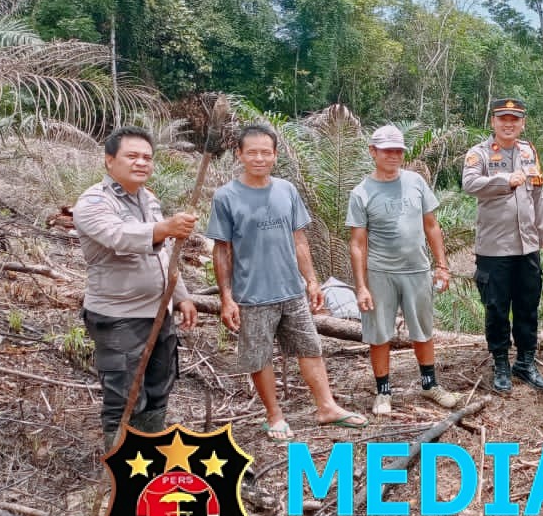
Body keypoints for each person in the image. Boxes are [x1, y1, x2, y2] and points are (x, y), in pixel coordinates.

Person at [206, 124, 368, 441]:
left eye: (266, 152)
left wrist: (312, 281)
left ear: (275, 155)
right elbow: (222, 250)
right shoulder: (226, 197)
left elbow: (300, 241)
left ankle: (327, 407)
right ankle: (274, 415)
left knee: (310, 348)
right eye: (251, 152)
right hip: (252, 295)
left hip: (291, 290)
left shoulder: (286, 190)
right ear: (239, 154)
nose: (259, 158)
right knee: (259, 356)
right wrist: (226, 297)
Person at [74, 127, 198, 449]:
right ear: (109, 161)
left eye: (147, 157)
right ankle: (120, 473)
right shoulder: (93, 202)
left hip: (158, 312)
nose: (141, 162)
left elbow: (165, 255)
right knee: (125, 396)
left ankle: (150, 458)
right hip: (119, 317)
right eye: (132, 156)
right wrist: (164, 228)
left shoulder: (149, 199)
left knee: (158, 389)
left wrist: (181, 296)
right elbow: (119, 237)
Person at [347, 124, 462, 416]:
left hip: (417, 271)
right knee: (379, 333)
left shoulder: (416, 182)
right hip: (379, 273)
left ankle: (430, 384)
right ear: (373, 152)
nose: (393, 156)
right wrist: (361, 286)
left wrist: (442, 266)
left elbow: (432, 225)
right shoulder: (361, 193)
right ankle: (383, 392)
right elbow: (358, 244)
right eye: (387, 150)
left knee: (422, 329)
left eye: (398, 150)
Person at [461, 97, 543, 394]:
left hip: (528, 246)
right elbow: (469, 184)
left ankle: (526, 362)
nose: (508, 124)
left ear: (522, 123)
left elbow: (538, 195)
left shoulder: (529, 152)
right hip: (494, 249)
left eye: (514, 120)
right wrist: (506, 180)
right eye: (503, 118)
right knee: (497, 308)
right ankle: (501, 363)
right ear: (493, 122)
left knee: (528, 306)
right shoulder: (479, 154)